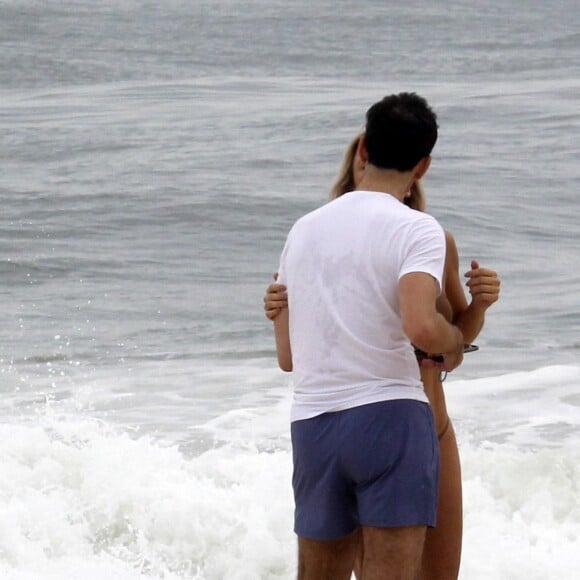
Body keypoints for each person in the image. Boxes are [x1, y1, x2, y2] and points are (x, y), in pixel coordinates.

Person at [265, 129, 500, 579]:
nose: (362, 167)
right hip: (380, 421)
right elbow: (298, 352)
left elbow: (454, 341)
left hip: (430, 423)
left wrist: (479, 308)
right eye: (355, 159)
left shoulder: (431, 240)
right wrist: (280, 312)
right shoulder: (319, 242)